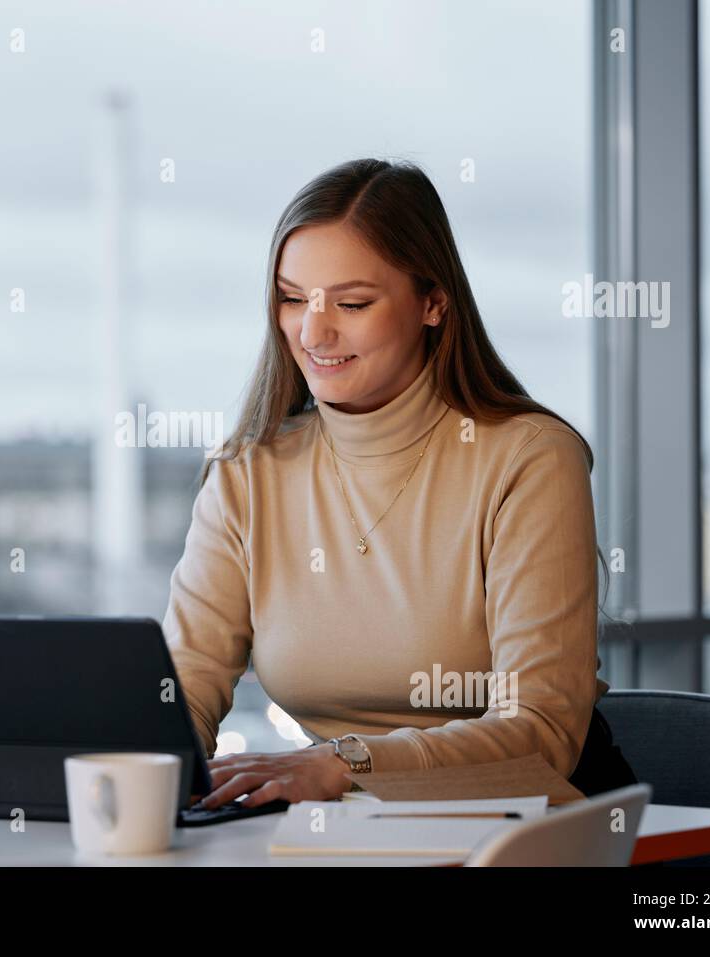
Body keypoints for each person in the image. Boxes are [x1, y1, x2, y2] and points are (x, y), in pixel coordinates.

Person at [163, 157, 638, 809]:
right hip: (346, 825)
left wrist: (344, 762)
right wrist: (143, 772)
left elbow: (544, 733)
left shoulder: (529, 458)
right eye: (293, 297)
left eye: (352, 302)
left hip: (535, 821)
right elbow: (179, 697)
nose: (313, 330)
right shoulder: (248, 473)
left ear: (433, 303)